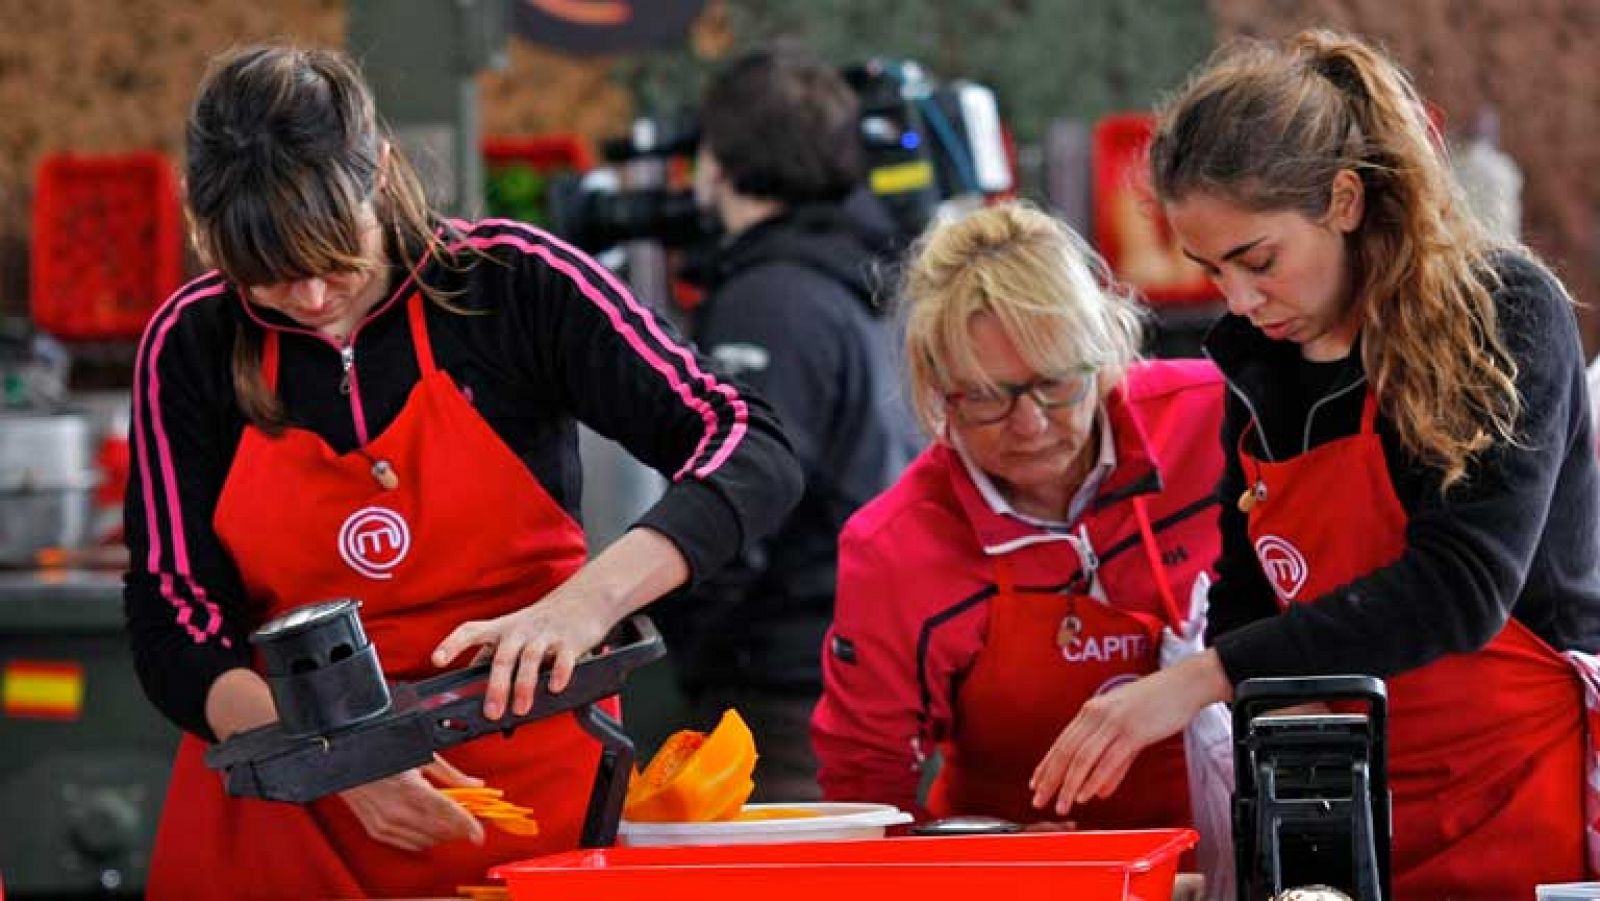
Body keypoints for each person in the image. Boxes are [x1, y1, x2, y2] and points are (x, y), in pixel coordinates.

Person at [124, 45, 801, 899]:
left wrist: (588, 601)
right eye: (268, 278)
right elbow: (171, 609)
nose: (310, 297)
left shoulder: (515, 286)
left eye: (335, 257)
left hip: (521, 798)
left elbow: (748, 441)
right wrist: (329, 758)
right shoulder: (190, 343)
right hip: (290, 801)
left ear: (381, 176)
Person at [1029, 29, 1600, 899]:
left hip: (1522, 794)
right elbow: (1249, 592)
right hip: (1348, 801)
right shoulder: (1262, 363)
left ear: (1343, 199)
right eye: (1212, 270)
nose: (1240, 300)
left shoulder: (1502, 312)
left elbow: (1461, 587)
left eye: (1258, 260)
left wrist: (1206, 677)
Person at [810, 201, 1226, 835]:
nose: (1029, 426)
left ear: (1104, 349)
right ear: (935, 390)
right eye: (984, 397)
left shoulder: (1218, 423)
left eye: (1055, 384)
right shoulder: (893, 549)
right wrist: (992, 867)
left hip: (1248, 848)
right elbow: (866, 791)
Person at [652, 44, 921, 800]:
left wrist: (685, 645)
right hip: (860, 663)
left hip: (782, 690)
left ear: (719, 161)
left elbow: (741, 502)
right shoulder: (865, 281)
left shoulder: (771, 300)